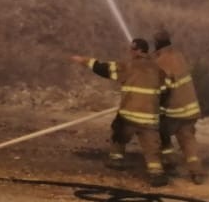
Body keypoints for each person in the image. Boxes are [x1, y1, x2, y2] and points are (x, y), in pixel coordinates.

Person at [71, 38, 168, 187]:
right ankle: (157, 174)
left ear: (138, 51)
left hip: (129, 115)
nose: (130, 52)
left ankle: (116, 159)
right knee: (151, 148)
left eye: (132, 49)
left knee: (118, 131)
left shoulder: (128, 66)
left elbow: (104, 68)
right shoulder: (157, 69)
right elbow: (165, 91)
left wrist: (84, 61)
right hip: (150, 118)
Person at [153, 28, 204, 184]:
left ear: (156, 44)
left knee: (161, 133)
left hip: (174, 111)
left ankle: (170, 163)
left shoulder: (161, 62)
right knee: (188, 140)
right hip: (191, 110)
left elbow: (164, 88)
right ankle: (196, 172)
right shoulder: (179, 56)